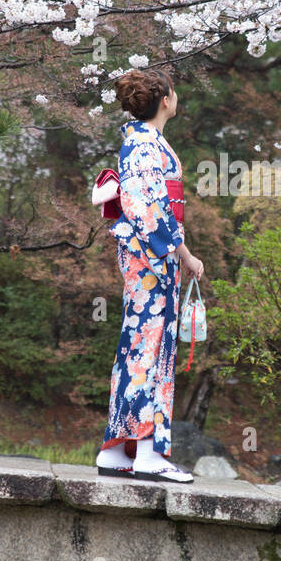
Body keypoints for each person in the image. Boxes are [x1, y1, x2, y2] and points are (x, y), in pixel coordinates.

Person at [96, 68, 204, 482]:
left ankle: (117, 450)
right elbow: (149, 208)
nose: (177, 98)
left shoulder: (143, 142)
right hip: (151, 259)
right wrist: (180, 254)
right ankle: (146, 452)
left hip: (148, 256)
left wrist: (180, 252)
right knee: (150, 349)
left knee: (137, 346)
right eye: (174, 93)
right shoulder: (144, 145)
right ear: (165, 100)